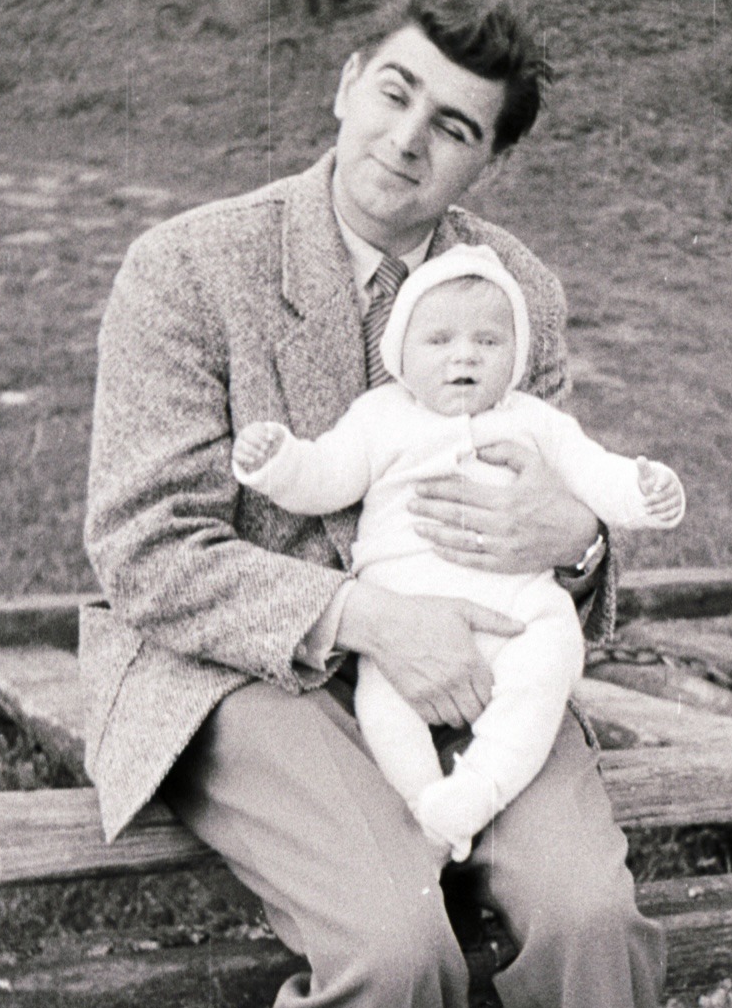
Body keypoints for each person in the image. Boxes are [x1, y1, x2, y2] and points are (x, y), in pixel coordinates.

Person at [81, 0, 732, 1008]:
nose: (407, 142)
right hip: (245, 659)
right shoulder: (190, 265)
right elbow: (144, 545)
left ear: (485, 160)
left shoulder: (511, 285)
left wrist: (570, 529)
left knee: (585, 909)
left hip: (483, 665)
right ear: (344, 82)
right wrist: (372, 619)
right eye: (393, 94)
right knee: (392, 938)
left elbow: (577, 525)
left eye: (453, 128)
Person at [231, 242, 686, 864]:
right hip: (404, 611)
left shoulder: (533, 421)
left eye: (488, 342)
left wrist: (643, 492)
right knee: (384, 703)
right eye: (439, 340)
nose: (464, 354)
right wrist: (279, 462)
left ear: (517, 356)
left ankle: (480, 789)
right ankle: (426, 805)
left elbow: (593, 473)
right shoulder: (380, 417)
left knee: (550, 663)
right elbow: (326, 477)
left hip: (519, 603)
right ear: (400, 355)